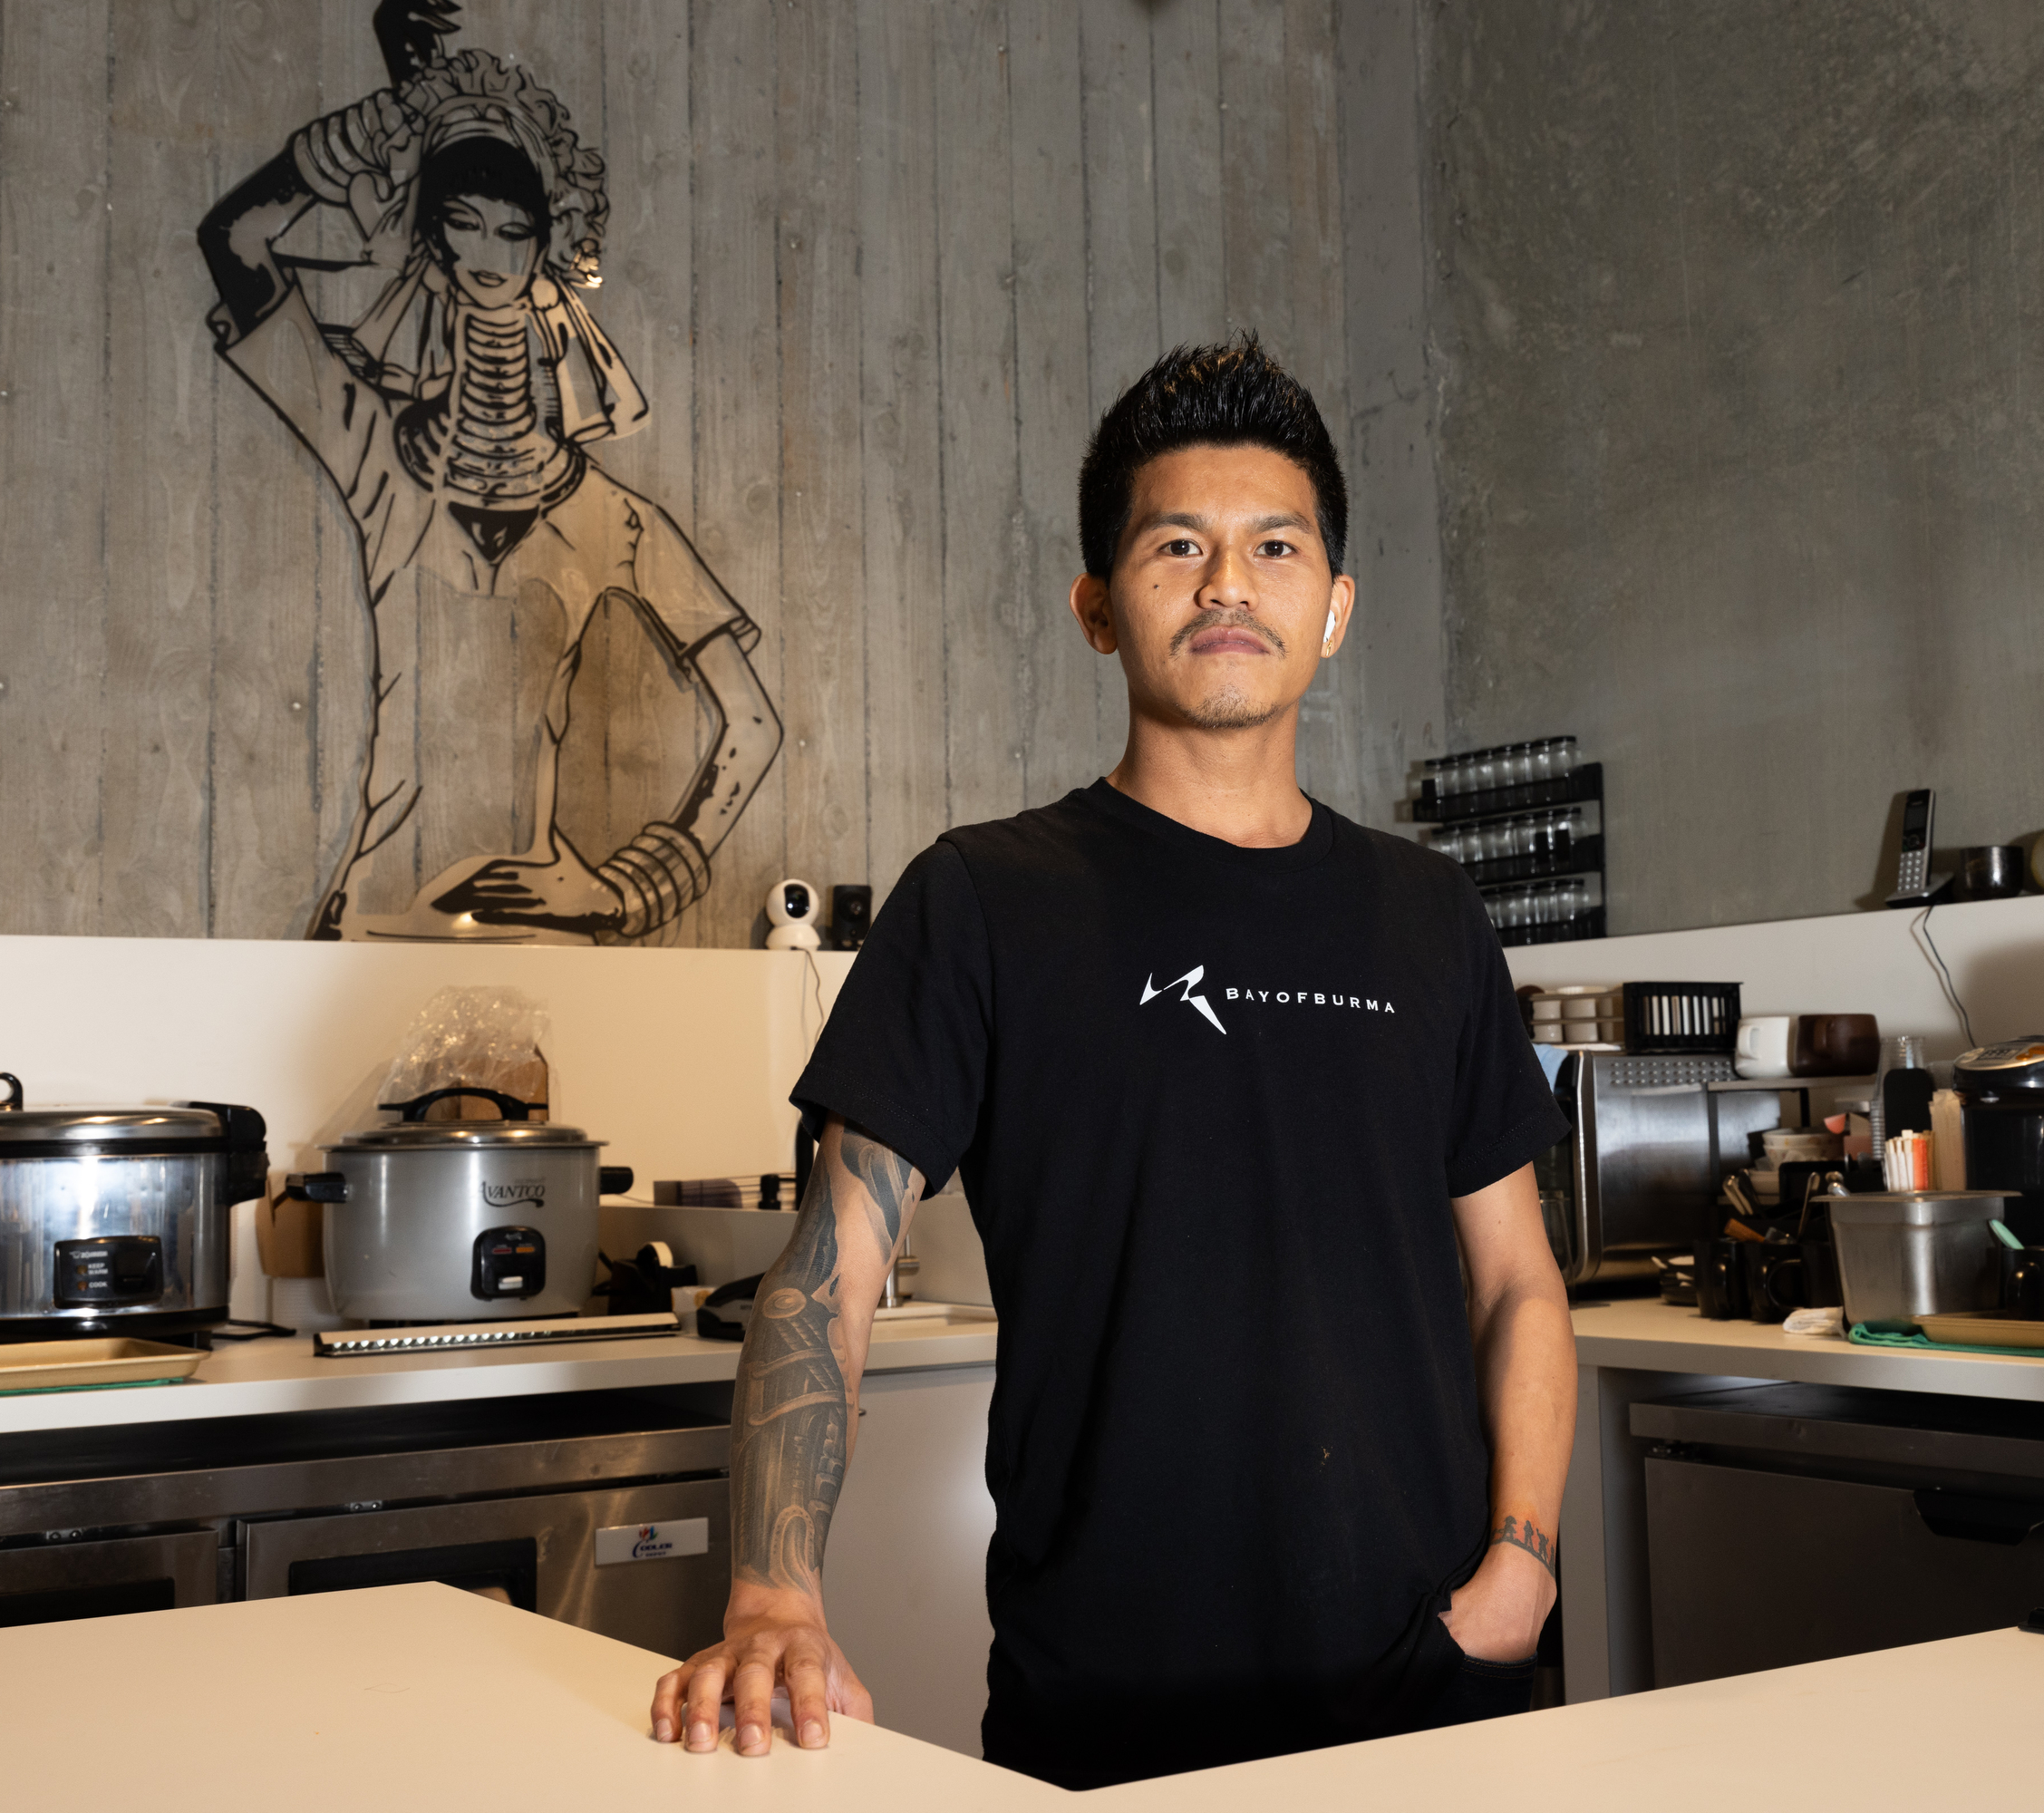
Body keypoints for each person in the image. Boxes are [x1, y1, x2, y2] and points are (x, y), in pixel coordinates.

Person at [650, 341, 1578, 1789]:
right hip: (1114, 1707)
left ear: (1332, 610)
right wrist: (775, 1592)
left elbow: (1519, 1279)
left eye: (1276, 547)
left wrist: (1518, 1569)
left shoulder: (1430, 914)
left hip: (1432, 1685)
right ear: (1097, 607)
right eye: (1177, 547)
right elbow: (829, 1268)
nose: (1227, 583)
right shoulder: (985, 900)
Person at [199, 25, 780, 944]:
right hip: (374, 918)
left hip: (535, 931)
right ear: (429, 233)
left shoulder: (615, 520)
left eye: (513, 232)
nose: (489, 255)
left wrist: (631, 891)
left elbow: (751, 722)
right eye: (463, 224)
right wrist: (374, 130)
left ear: (546, 245)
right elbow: (233, 239)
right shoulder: (376, 455)